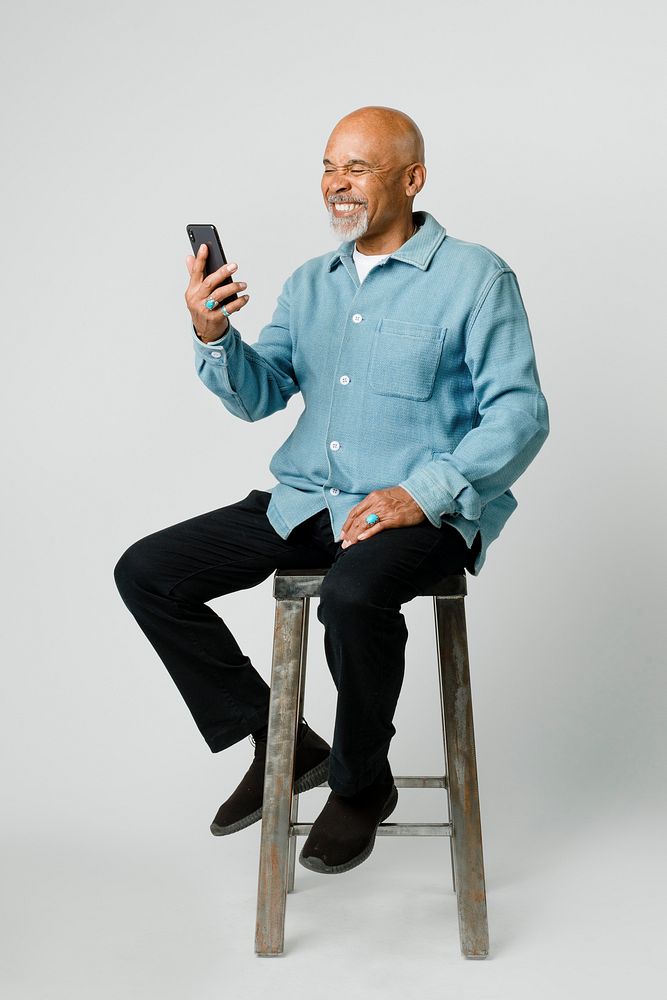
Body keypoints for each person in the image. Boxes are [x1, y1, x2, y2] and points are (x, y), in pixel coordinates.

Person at [114, 105, 549, 876]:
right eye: (327, 166)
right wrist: (213, 334)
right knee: (148, 571)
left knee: (352, 596)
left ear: (411, 179)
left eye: (357, 168)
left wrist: (423, 493)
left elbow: (519, 414)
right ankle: (280, 741)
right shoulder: (310, 283)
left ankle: (358, 785)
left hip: (417, 506)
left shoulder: (476, 277)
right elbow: (260, 394)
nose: (336, 184)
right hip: (309, 497)